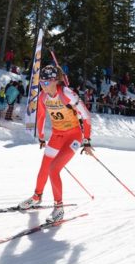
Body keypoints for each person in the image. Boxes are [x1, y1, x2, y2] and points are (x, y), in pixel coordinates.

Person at [18, 64, 94, 223]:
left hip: (73, 136)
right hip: (57, 135)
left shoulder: (66, 94)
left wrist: (87, 141)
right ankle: (36, 197)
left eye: (46, 83)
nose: (43, 86)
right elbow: (40, 117)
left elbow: (86, 116)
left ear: (55, 81)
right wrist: (41, 136)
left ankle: (59, 208)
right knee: (45, 166)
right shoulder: (43, 97)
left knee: (54, 169)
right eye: (41, 83)